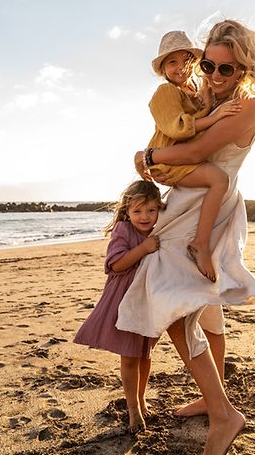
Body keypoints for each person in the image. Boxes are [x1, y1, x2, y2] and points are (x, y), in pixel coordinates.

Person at [117, 19, 255, 455]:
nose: (216, 77)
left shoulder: (247, 107)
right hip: (187, 199)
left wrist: (147, 155)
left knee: (173, 303)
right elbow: (180, 127)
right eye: (209, 66)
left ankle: (225, 415)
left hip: (207, 204)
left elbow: (192, 153)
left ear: (244, 69)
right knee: (202, 305)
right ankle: (213, 399)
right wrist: (158, 156)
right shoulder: (205, 97)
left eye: (228, 69)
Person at [147, 30, 242, 282]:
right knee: (219, 180)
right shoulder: (164, 93)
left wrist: (209, 101)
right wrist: (216, 116)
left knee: (218, 181)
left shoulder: (192, 91)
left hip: (183, 158)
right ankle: (200, 243)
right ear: (163, 69)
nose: (180, 68)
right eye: (172, 62)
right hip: (170, 159)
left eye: (186, 60)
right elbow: (177, 127)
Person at [73, 180, 163, 433]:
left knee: (145, 354)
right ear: (126, 212)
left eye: (151, 210)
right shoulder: (124, 231)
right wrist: (144, 249)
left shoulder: (161, 230)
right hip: (124, 301)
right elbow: (115, 265)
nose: (144, 217)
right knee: (129, 356)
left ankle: (141, 398)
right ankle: (132, 408)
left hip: (148, 301)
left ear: (159, 209)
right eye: (137, 211)